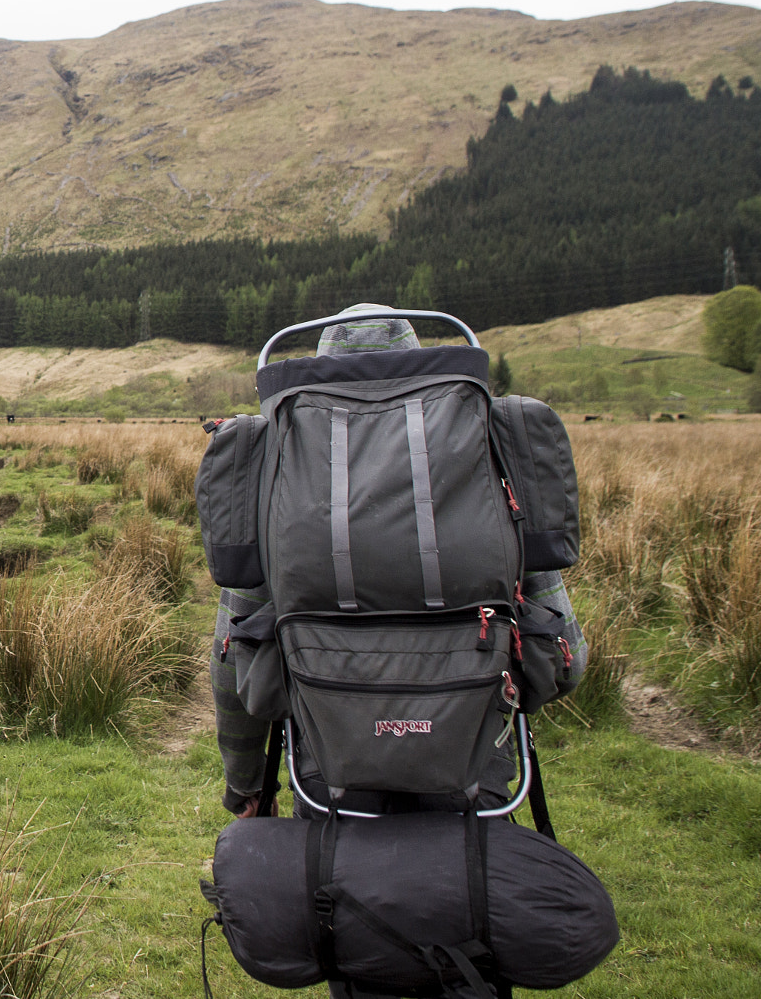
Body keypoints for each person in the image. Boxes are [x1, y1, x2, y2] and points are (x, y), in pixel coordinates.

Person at [210, 304, 589, 820]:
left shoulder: (282, 464)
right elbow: (567, 656)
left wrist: (247, 785)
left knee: (331, 891)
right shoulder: (485, 451)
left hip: (328, 768)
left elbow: (232, 664)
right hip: (475, 764)